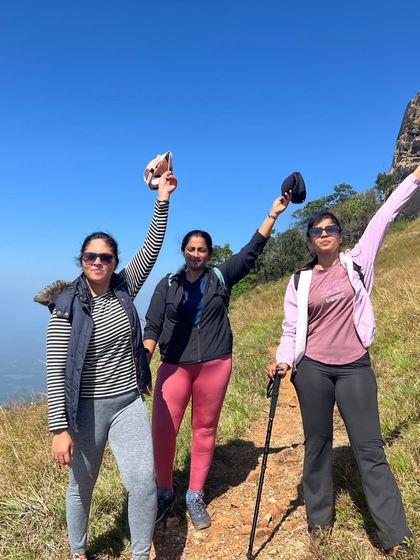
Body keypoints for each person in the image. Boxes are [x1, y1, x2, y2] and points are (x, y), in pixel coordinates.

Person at [270, 165, 420, 556]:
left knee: (369, 448)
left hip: (355, 365)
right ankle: (320, 523)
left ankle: (394, 536)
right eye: (317, 230)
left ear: (340, 236)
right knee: (317, 445)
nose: (324, 234)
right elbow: (290, 329)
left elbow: (385, 214)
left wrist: (415, 177)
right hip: (313, 370)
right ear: (310, 240)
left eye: (330, 229)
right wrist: (284, 362)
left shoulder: (357, 263)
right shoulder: (299, 281)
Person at [35, 171, 177, 560]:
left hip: (128, 402)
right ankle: (78, 552)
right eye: (90, 256)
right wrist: (59, 428)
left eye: (106, 256)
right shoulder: (65, 306)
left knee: (144, 483)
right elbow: (55, 368)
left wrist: (162, 198)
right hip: (85, 409)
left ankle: (141, 553)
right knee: (82, 485)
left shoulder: (122, 286)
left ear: (115, 262)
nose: (98, 261)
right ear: (81, 261)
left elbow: (152, 246)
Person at [143, 190, 293, 530]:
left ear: (209, 253)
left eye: (202, 249)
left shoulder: (220, 278)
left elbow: (251, 251)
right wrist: (143, 361)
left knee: (205, 430)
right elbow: (152, 326)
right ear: (183, 251)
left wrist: (273, 214)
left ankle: (194, 494)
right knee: (164, 431)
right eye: (191, 249)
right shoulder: (167, 285)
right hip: (174, 366)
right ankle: (164, 491)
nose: (196, 254)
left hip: (215, 364)